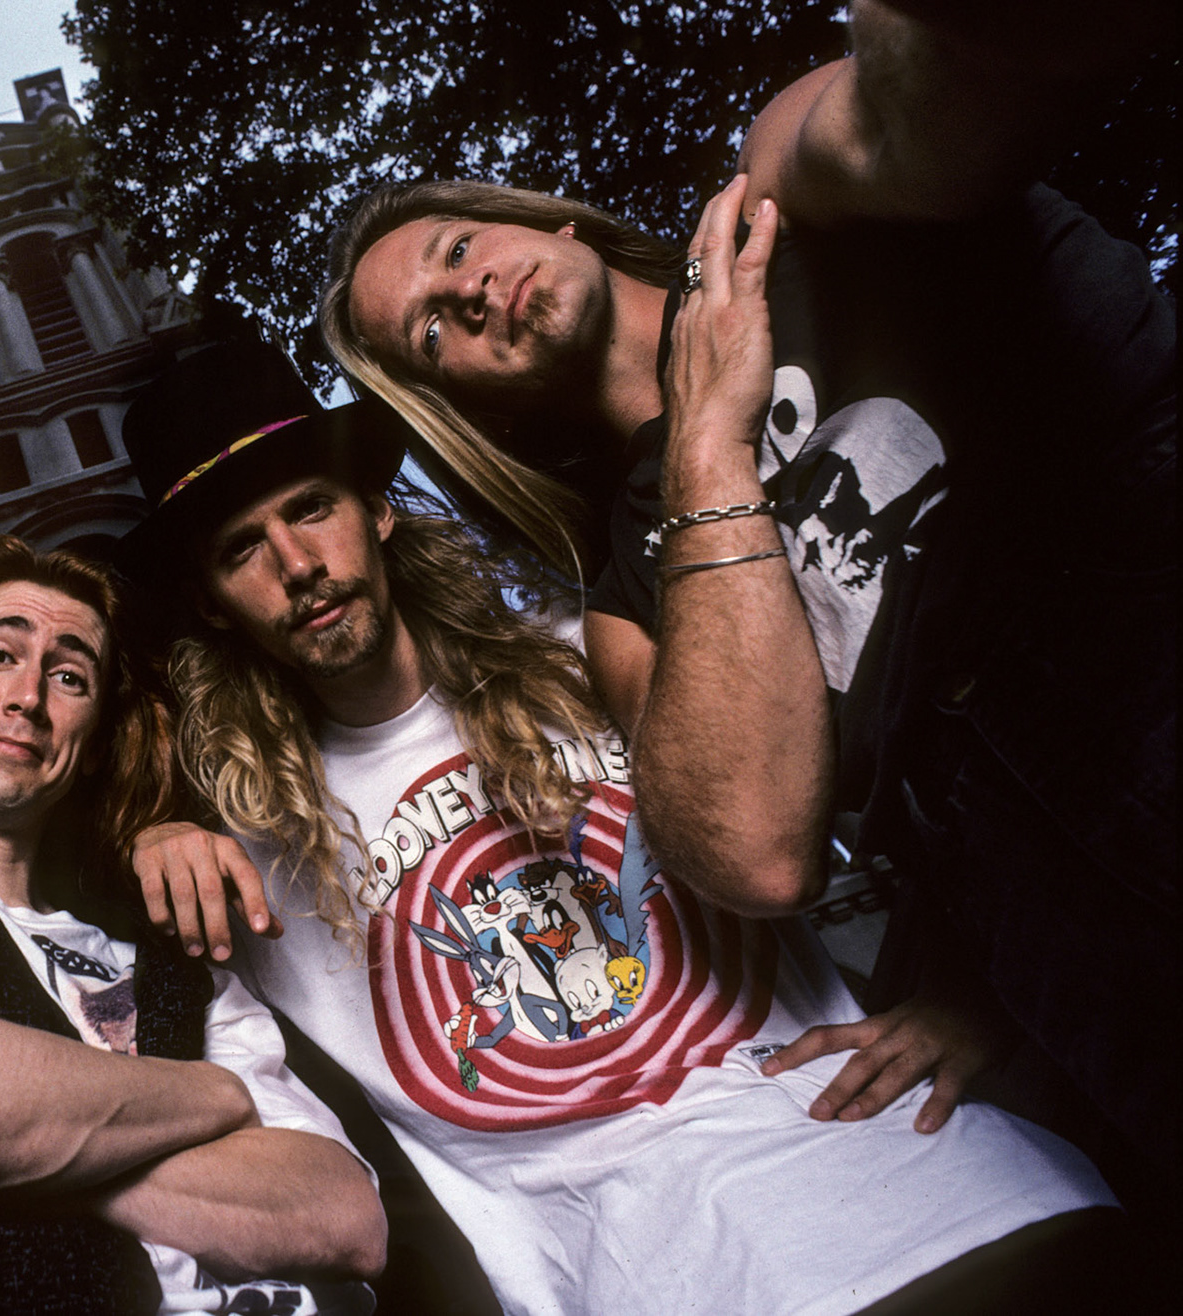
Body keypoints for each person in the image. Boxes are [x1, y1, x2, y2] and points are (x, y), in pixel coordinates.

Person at [316, 0, 1177, 1183]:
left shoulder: (784, 202)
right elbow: (759, 851)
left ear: (549, 222)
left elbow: (926, 99)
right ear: (473, 408)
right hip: (1095, 954)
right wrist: (709, 441)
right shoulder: (624, 603)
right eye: (429, 332)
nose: (466, 293)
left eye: (459, 247)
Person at [120, 339, 1125, 1316]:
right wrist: (139, 832)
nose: (297, 564)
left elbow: (910, 759)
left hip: (940, 1181)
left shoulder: (591, 658)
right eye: (241, 549)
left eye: (310, 509)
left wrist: (974, 989)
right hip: (660, 1273)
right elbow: (36, 895)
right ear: (209, 604)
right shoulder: (240, 846)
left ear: (377, 511)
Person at [0, 536, 386, 1315]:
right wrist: (215, 1095)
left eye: (69, 676)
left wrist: (4, 1150)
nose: (28, 696)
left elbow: (344, 1218)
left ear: (93, 745)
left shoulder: (172, 956)